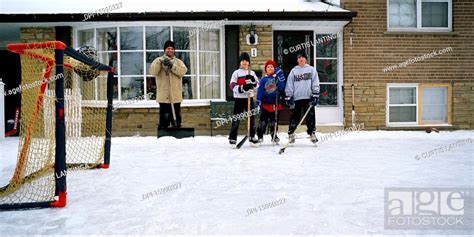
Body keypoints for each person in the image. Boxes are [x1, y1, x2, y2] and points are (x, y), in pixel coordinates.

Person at [150, 40, 187, 128]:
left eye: (171, 48)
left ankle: (177, 131)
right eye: (168, 48)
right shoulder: (157, 60)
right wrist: (160, 63)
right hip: (164, 96)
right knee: (164, 118)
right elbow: (153, 72)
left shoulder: (178, 62)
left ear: (174, 50)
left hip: (175, 96)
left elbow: (183, 72)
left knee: (176, 117)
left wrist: (172, 66)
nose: (170, 50)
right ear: (164, 50)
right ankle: (164, 135)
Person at [285, 52, 320, 144]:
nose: (301, 59)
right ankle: (291, 133)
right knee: (294, 116)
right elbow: (289, 84)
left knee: (310, 116)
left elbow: (315, 82)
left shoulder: (311, 70)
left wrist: (315, 93)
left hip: (308, 98)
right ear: (297, 60)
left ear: (306, 59)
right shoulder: (293, 71)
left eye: (303, 57)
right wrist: (289, 96)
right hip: (296, 98)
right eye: (299, 57)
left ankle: (312, 133)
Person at [228, 52, 258, 147]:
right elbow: (232, 85)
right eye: (242, 61)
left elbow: (258, 85)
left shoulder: (251, 73)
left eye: (246, 61)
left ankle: (252, 137)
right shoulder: (236, 73)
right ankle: (232, 138)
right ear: (240, 62)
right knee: (236, 118)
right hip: (239, 99)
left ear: (248, 62)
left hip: (249, 99)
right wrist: (242, 88)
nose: (244, 62)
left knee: (251, 118)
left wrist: (253, 83)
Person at [256, 60, 285, 144]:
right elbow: (260, 91)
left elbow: (281, 88)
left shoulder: (277, 78)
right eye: (268, 67)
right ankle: (260, 135)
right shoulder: (263, 79)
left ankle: (274, 135)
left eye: (272, 67)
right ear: (266, 69)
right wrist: (258, 102)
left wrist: (280, 77)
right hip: (265, 104)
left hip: (275, 104)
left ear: (274, 68)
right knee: (263, 121)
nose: (270, 68)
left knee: (274, 121)